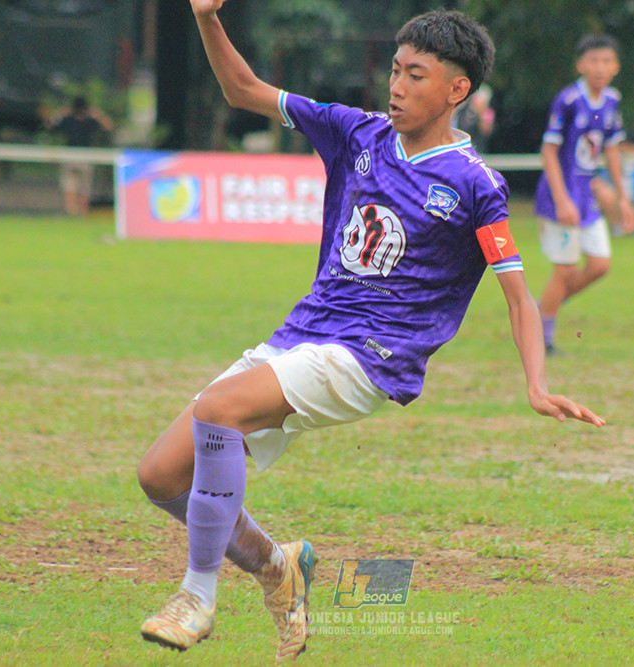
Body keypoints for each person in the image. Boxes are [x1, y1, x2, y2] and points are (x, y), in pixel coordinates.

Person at [136, 2, 605, 662]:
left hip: (370, 360)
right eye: (395, 69)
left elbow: (518, 294)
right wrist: (209, 19)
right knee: (160, 475)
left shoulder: (477, 185)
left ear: (456, 90)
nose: (397, 85)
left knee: (218, 410)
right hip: (303, 333)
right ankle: (278, 565)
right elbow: (242, 89)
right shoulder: (356, 133)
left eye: (416, 74)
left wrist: (536, 383)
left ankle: (196, 596)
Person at [533, 34, 634, 356]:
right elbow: (548, 152)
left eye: (606, 61)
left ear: (616, 66)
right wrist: (562, 201)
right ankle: (542, 337)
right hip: (558, 198)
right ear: (580, 64)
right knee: (563, 270)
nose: (600, 67)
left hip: (586, 198)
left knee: (600, 265)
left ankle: (538, 312)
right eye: (593, 60)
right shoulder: (568, 100)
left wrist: (623, 196)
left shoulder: (611, 101)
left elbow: (611, 149)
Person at [46, 96, 114, 216]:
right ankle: (82, 213)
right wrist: (97, 114)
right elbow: (109, 126)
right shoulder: (90, 121)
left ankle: (71, 212)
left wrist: (59, 113)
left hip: (72, 156)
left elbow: (50, 125)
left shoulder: (67, 119)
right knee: (84, 188)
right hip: (84, 157)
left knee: (70, 187)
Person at [454, 83, 495, 153]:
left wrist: (480, 114)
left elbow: (486, 131)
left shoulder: (486, 113)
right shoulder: (463, 111)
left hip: (478, 149)